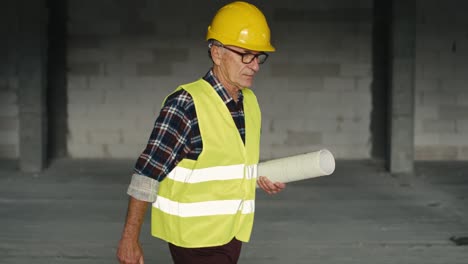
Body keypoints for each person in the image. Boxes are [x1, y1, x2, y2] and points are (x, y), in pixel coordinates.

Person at [117, 2, 286, 263]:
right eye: (245, 55)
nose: (255, 66)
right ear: (217, 53)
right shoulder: (186, 105)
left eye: (259, 56)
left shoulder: (249, 103)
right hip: (196, 240)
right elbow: (147, 173)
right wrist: (130, 239)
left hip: (232, 232)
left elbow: (225, 164)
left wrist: (259, 177)